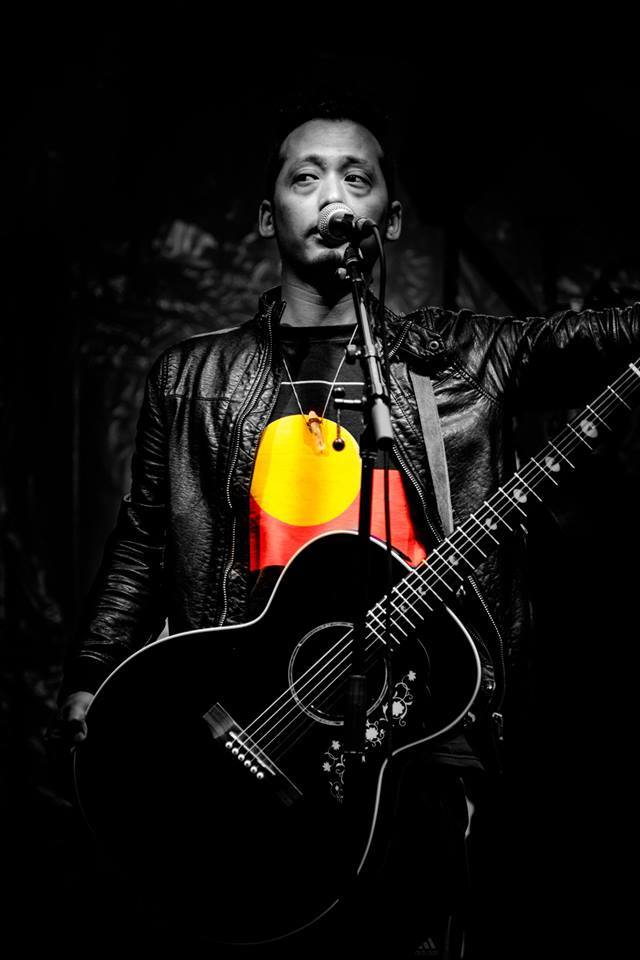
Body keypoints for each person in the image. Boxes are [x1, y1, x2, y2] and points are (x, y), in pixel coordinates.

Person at [51, 93, 640, 957]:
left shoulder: (464, 358)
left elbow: (609, 335)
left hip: (417, 737)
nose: (333, 194)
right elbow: (143, 539)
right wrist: (93, 671)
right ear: (269, 215)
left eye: (356, 179)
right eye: (307, 178)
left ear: (389, 220)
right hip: (253, 724)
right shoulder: (192, 377)